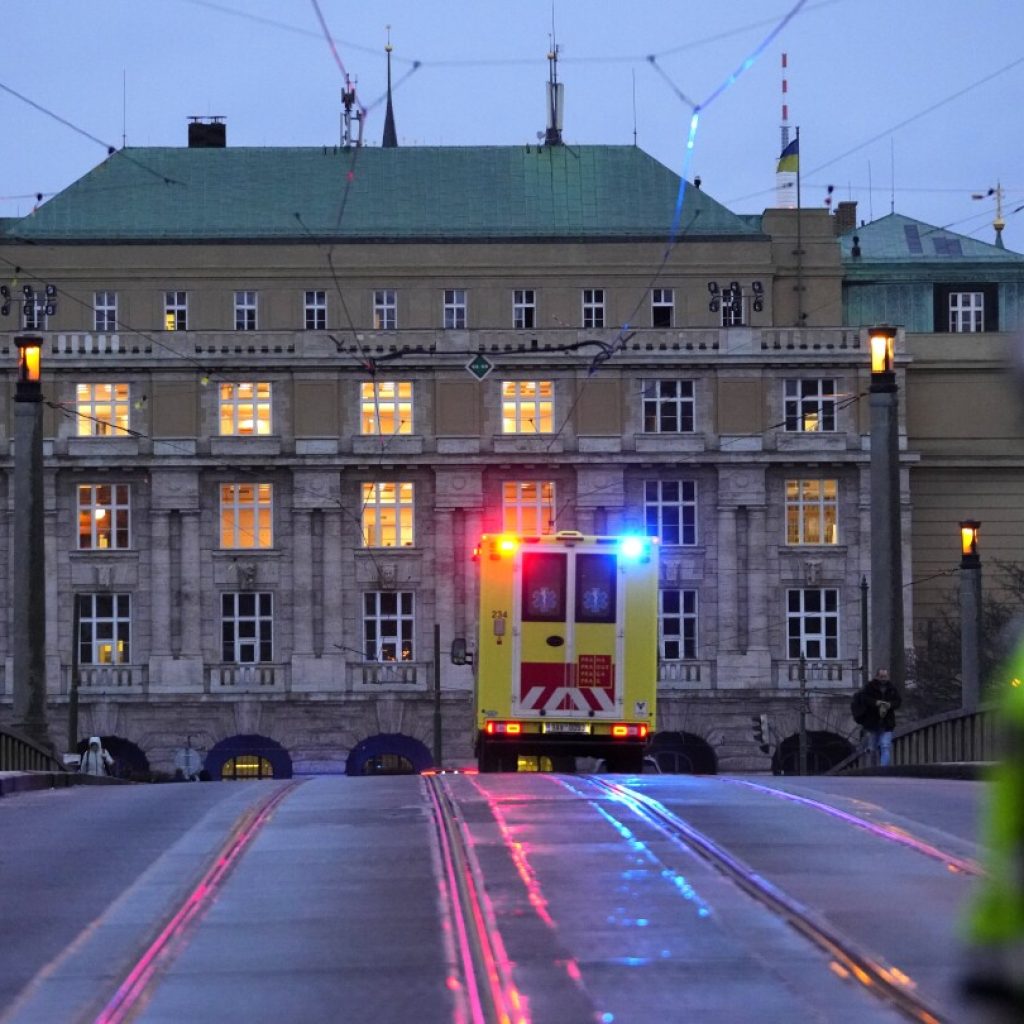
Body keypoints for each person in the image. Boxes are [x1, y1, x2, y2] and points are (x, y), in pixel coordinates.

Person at [851, 669, 902, 767]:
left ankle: (883, 769)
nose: (883, 679)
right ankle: (873, 768)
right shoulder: (869, 687)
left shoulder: (892, 688)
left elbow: (898, 701)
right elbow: (864, 699)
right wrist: (876, 703)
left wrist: (889, 705)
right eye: (881, 676)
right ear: (877, 676)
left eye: (885, 676)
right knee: (872, 747)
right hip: (872, 722)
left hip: (887, 723)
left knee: (885, 746)